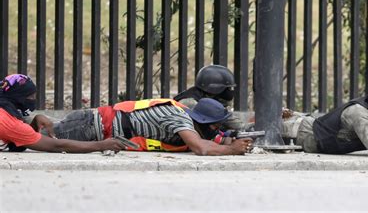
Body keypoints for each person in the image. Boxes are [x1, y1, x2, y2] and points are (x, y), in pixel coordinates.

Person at [37, 97, 253, 156]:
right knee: (36, 140)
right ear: (205, 123)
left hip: (95, 125)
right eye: (216, 127)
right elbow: (201, 148)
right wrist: (231, 149)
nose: (218, 131)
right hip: (89, 126)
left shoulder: (186, 117)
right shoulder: (181, 120)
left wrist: (230, 141)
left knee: (37, 138)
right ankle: (17, 124)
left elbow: (207, 140)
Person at [0, 74, 125, 153]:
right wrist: (101, 145)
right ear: (19, 97)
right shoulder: (8, 122)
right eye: (31, 96)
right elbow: (56, 146)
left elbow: (18, 142)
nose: (33, 100)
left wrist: (34, 123)